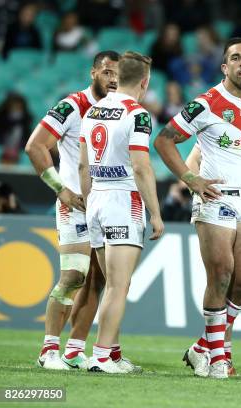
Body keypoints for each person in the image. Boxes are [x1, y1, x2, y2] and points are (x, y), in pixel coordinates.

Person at [154, 37, 241, 379]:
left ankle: (201, 348)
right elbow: (164, 140)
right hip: (215, 199)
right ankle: (219, 356)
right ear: (224, 67)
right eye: (235, 58)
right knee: (221, 274)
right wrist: (190, 178)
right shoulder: (205, 103)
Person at [24, 50, 124, 371]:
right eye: (107, 72)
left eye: (117, 75)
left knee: (98, 280)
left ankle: (74, 350)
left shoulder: (119, 109)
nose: (113, 79)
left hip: (104, 206)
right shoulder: (72, 106)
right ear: (93, 72)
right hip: (75, 205)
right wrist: (61, 190)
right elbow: (35, 145)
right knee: (74, 275)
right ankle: (48, 351)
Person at [79, 51, 164, 373]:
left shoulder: (93, 110)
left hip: (97, 198)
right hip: (123, 200)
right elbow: (141, 166)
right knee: (118, 285)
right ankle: (100, 357)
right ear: (144, 82)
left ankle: (112, 353)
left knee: (112, 283)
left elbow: (82, 164)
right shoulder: (138, 115)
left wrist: (89, 201)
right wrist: (155, 213)